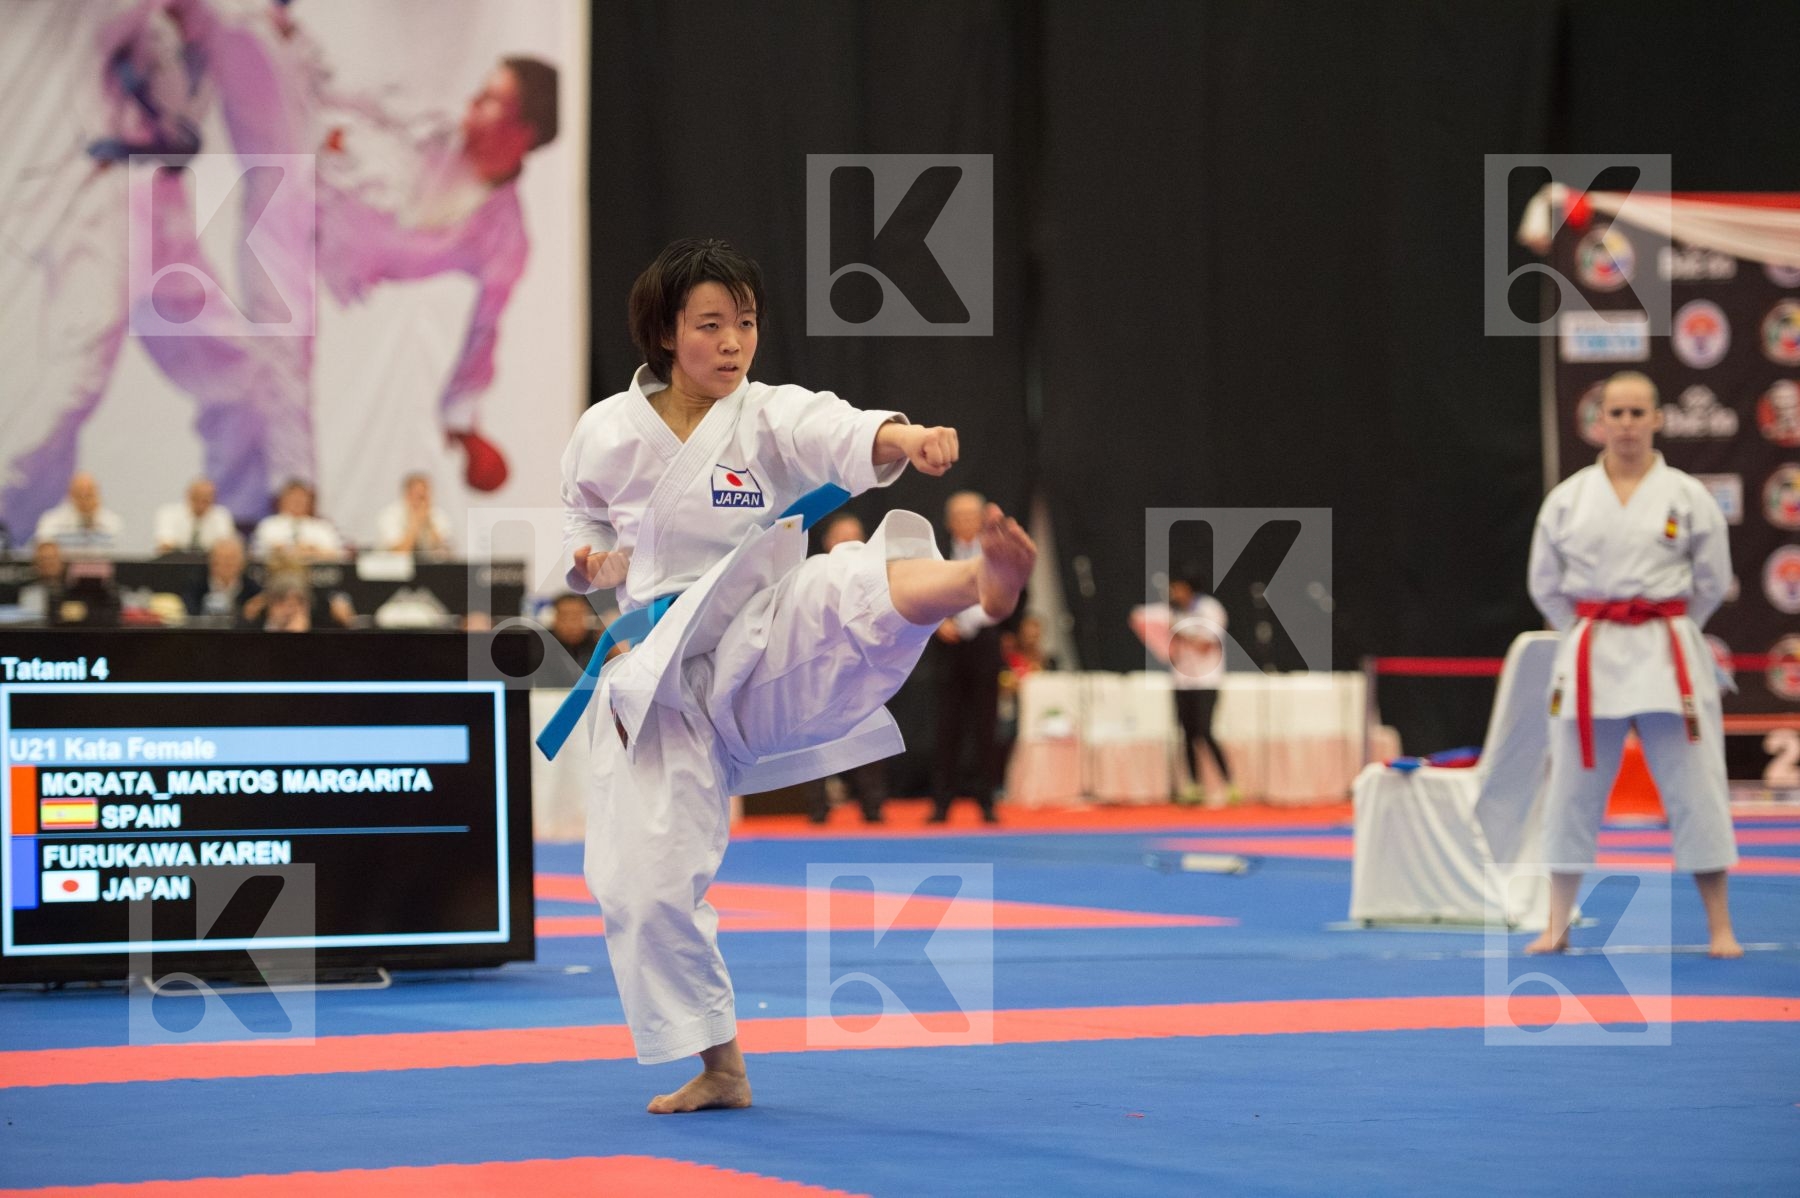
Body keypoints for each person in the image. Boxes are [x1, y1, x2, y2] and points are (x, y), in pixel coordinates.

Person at [562, 238, 1034, 1114]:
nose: (734, 342)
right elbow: (580, 530)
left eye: (745, 323)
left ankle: (977, 583)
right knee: (642, 886)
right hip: (654, 679)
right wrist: (588, 568)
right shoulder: (603, 431)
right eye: (711, 324)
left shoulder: (764, 413)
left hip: (757, 635)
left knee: (845, 584)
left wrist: (907, 435)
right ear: (666, 332)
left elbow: (836, 425)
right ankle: (722, 1068)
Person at [1526, 370, 1741, 958]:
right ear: (1600, 421)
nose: (1625, 424)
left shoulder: (1687, 496)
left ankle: (1720, 927)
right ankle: (1557, 924)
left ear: (1657, 418)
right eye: (1615, 414)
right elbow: (1545, 586)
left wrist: (1667, 624)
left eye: (1635, 413)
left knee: (1697, 790)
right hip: (1593, 652)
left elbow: (1711, 580)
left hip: (1667, 653)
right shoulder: (1569, 499)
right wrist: (1590, 629)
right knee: (1571, 791)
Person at [802, 512, 890, 825]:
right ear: (827, 543)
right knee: (812, 739)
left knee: (867, 733)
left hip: (863, 667)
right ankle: (817, 807)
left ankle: (872, 805)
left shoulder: (878, 576)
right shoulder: (809, 574)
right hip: (818, 668)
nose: (848, 543)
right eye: (841, 537)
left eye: (854, 536)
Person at [928, 491, 1005, 824]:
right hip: (947, 647)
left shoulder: (996, 552)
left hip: (984, 644)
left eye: (972, 515)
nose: (966, 521)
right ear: (949, 521)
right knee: (947, 727)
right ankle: (942, 802)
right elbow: (921, 590)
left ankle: (987, 800)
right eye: (959, 515)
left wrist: (983, 617)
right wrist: (937, 623)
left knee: (986, 726)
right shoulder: (934, 553)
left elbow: (1014, 592)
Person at [1132, 576, 1235, 805]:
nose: (1173, 593)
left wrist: (1178, 632)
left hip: (1207, 681)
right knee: (1186, 733)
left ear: (1189, 588)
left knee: (1204, 731)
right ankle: (1194, 786)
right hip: (1181, 680)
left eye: (1177, 588)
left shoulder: (1209, 609)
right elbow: (1138, 616)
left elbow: (1205, 646)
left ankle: (1229, 783)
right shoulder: (1172, 611)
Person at [33, 471, 124, 556]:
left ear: (97, 494)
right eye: (79, 494)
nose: (84, 500)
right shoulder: (51, 521)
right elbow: (44, 556)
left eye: (89, 494)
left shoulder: (112, 522)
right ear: (70, 495)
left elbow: (119, 557)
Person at [252, 480, 344, 560]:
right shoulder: (268, 525)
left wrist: (313, 551)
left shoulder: (323, 527)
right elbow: (259, 552)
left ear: (309, 502)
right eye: (293, 498)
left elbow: (339, 554)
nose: (297, 502)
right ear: (282, 501)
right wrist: (289, 551)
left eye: (302, 498)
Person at [183, 534, 260, 624]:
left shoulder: (253, 590)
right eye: (220, 558)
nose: (226, 563)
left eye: (232, 559)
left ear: (243, 562)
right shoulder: (195, 587)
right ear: (211, 561)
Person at [154, 477, 237, 554]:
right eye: (197, 498)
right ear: (188, 496)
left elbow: (226, 548)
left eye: (206, 500)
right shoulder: (169, 513)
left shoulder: (221, 516)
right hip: (175, 564)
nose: (201, 504)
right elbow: (165, 546)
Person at [376, 473, 452, 555]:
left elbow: (443, 552)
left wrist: (428, 523)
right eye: (418, 495)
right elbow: (400, 552)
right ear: (407, 495)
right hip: (392, 566)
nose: (422, 502)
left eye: (425, 496)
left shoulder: (436, 514)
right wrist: (416, 523)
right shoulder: (390, 515)